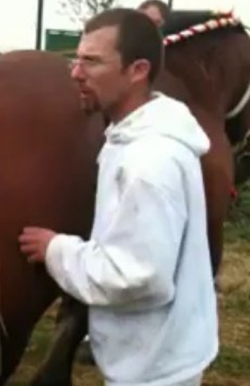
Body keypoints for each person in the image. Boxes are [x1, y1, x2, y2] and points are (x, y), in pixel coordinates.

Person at [18, 8, 218, 386]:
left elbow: (139, 277)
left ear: (138, 70)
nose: (75, 73)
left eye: (91, 62)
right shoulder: (132, 138)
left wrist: (57, 251)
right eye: (76, 60)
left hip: (155, 370)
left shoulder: (149, 162)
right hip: (159, 352)